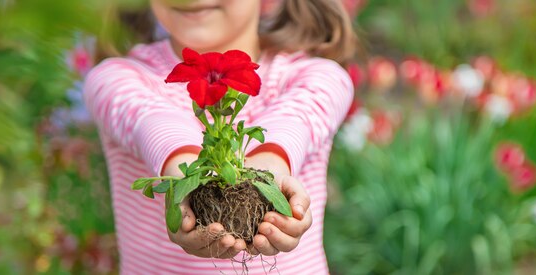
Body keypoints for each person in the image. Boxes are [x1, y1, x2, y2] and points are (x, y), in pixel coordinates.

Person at [84, 0, 356, 274]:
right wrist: (188, 181)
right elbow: (151, 121)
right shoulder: (117, 77)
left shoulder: (316, 76)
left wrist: (268, 171)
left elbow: (294, 120)